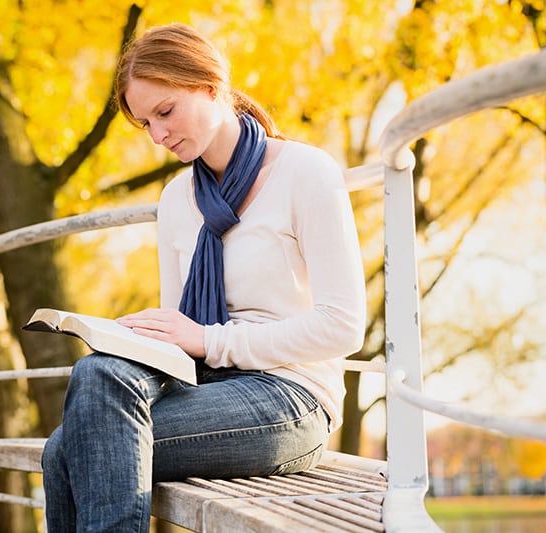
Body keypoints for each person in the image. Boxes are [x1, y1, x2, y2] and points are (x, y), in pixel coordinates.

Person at [41, 23, 366, 532]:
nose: (158, 135)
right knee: (96, 374)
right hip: (205, 384)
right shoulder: (175, 199)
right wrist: (138, 337)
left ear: (211, 86)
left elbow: (343, 327)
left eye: (165, 112)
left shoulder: (306, 172)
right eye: (145, 123)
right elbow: (181, 336)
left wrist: (208, 339)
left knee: (66, 449)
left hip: (290, 397)